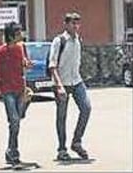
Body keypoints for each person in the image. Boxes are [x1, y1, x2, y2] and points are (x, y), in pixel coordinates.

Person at [48, 12, 91, 161]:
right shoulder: (59, 41)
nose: (76, 26)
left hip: (77, 81)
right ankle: (61, 149)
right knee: (62, 116)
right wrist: (59, 86)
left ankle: (76, 142)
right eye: (73, 23)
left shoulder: (78, 40)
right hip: (62, 83)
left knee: (86, 108)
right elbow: (52, 66)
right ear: (66, 24)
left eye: (78, 23)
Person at [0, 22, 33, 165]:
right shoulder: (0, 52)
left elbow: (25, 64)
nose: (22, 35)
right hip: (7, 90)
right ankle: (13, 151)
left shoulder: (21, 48)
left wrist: (27, 64)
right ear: (11, 35)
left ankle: (10, 150)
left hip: (20, 89)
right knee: (14, 121)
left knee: (16, 121)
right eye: (19, 33)